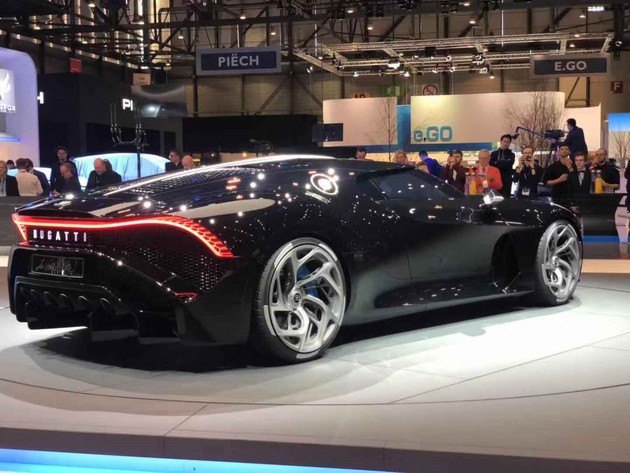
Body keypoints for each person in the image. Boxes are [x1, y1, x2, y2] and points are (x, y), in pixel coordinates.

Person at [490, 134, 516, 198]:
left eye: (508, 142)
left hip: (506, 182)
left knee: (506, 200)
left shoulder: (511, 155)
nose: (506, 143)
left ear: (509, 143)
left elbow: (509, 164)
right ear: (501, 142)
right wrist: (503, 163)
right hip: (495, 180)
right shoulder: (494, 154)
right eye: (504, 141)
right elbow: (491, 164)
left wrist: (496, 163)